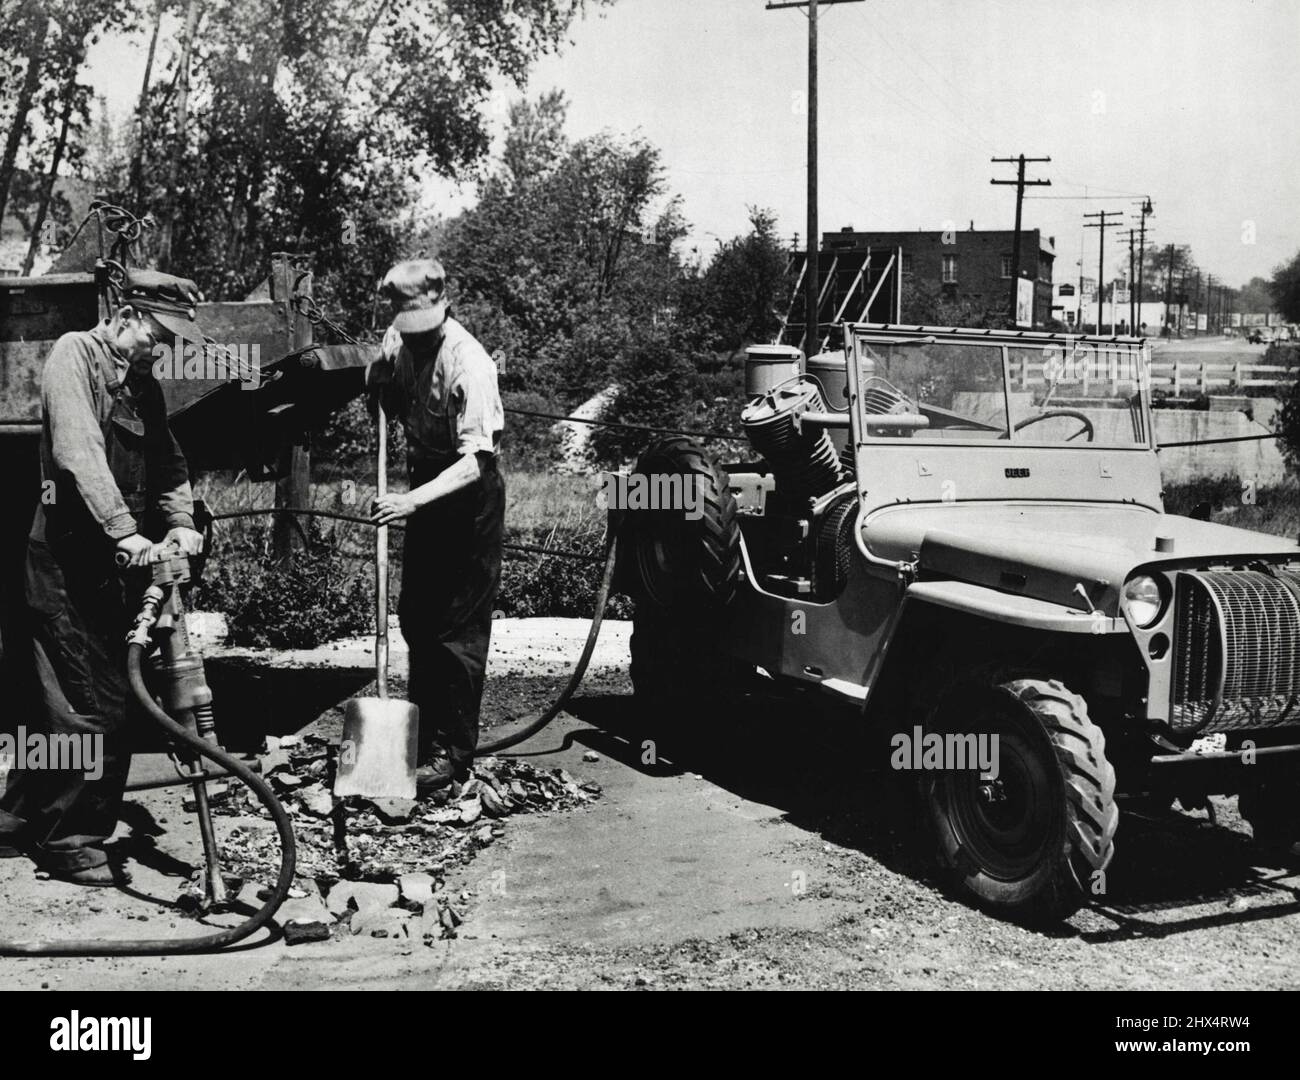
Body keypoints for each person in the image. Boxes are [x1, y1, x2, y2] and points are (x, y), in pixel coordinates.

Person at [0, 271, 206, 885]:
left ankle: (19, 817)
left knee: (50, 704)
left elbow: (168, 460)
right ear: (125, 317)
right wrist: (125, 530)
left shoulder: (143, 384)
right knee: (93, 708)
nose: (166, 350)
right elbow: (78, 450)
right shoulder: (74, 355)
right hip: (66, 560)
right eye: (160, 336)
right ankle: (71, 839)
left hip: (104, 567)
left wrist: (180, 520)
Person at [367, 259, 505, 791]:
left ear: (443, 310)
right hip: (422, 484)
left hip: (466, 495)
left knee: (457, 631)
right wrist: (376, 379)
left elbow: (478, 462)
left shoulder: (470, 363)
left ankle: (453, 755)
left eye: (424, 332)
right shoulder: (398, 338)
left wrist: (410, 503)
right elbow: (389, 392)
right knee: (418, 619)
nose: (416, 342)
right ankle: (418, 737)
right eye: (408, 332)